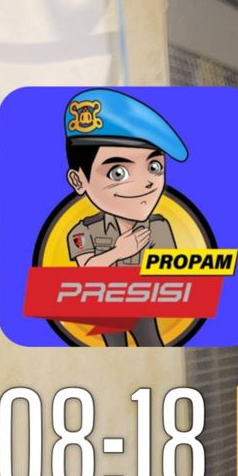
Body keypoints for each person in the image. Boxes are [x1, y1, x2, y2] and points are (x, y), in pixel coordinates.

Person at [60, 89, 186, 346]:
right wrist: (119, 252)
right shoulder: (83, 231)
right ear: (78, 180)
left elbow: (172, 275)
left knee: (153, 346)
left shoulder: (159, 226)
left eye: (154, 167)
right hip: (105, 308)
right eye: (118, 173)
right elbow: (85, 273)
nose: (146, 183)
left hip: (143, 308)